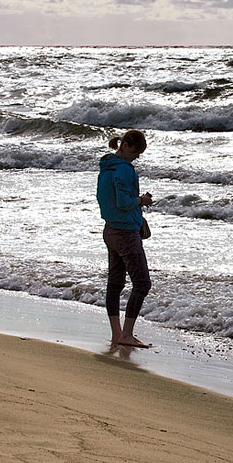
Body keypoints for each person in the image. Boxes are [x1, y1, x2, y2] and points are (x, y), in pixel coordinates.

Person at [97, 129, 154, 348]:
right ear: (128, 146)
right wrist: (141, 200)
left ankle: (117, 333)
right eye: (137, 152)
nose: (137, 157)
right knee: (142, 283)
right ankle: (127, 335)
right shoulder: (124, 170)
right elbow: (123, 201)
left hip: (110, 229)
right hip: (125, 233)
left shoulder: (106, 168)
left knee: (115, 282)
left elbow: (104, 199)